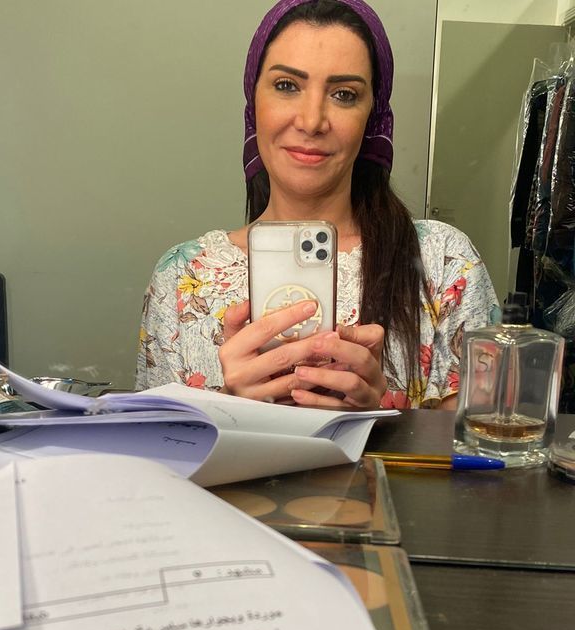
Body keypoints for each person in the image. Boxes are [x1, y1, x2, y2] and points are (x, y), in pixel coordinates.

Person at [135, 0, 498, 410]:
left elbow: (488, 445)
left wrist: (377, 417)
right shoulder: (182, 277)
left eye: (344, 94)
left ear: (373, 117)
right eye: (286, 86)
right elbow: (156, 445)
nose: (311, 121)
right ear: (253, 103)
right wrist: (228, 409)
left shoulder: (444, 262)